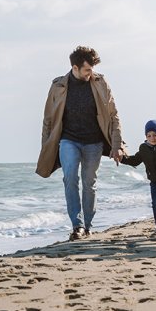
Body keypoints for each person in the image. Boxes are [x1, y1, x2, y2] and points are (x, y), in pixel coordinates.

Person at [36, 46, 126, 241]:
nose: (90, 73)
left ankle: (88, 225)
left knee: (89, 183)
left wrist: (117, 144)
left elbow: (113, 115)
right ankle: (76, 226)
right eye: (86, 70)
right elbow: (48, 119)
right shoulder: (58, 86)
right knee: (70, 178)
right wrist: (47, 147)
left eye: (91, 69)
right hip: (68, 140)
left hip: (94, 142)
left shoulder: (101, 83)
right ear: (75, 68)